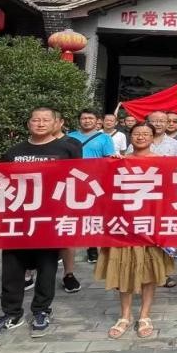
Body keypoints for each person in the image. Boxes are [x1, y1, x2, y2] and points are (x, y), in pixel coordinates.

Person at [0, 108, 82, 339]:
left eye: (46, 120)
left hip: (49, 217)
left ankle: (41, 310)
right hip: (18, 219)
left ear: (56, 123)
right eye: (36, 120)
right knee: (12, 266)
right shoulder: (14, 151)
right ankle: (11, 313)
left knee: (47, 266)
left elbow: (80, 177)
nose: (40, 123)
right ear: (28, 124)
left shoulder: (67, 149)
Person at [95, 123, 176, 339]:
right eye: (137, 133)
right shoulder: (118, 161)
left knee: (149, 271)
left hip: (150, 224)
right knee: (123, 269)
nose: (141, 137)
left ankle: (145, 315)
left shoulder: (163, 162)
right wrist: (111, 165)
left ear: (153, 137)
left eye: (146, 134)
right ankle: (124, 315)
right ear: (130, 136)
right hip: (123, 225)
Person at [66, 108, 117, 268]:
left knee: (93, 215)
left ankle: (92, 246)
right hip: (73, 181)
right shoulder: (69, 137)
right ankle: (65, 247)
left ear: (97, 121)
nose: (87, 121)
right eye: (84, 118)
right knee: (70, 215)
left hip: (95, 182)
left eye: (90, 118)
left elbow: (109, 160)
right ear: (79, 120)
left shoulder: (105, 138)